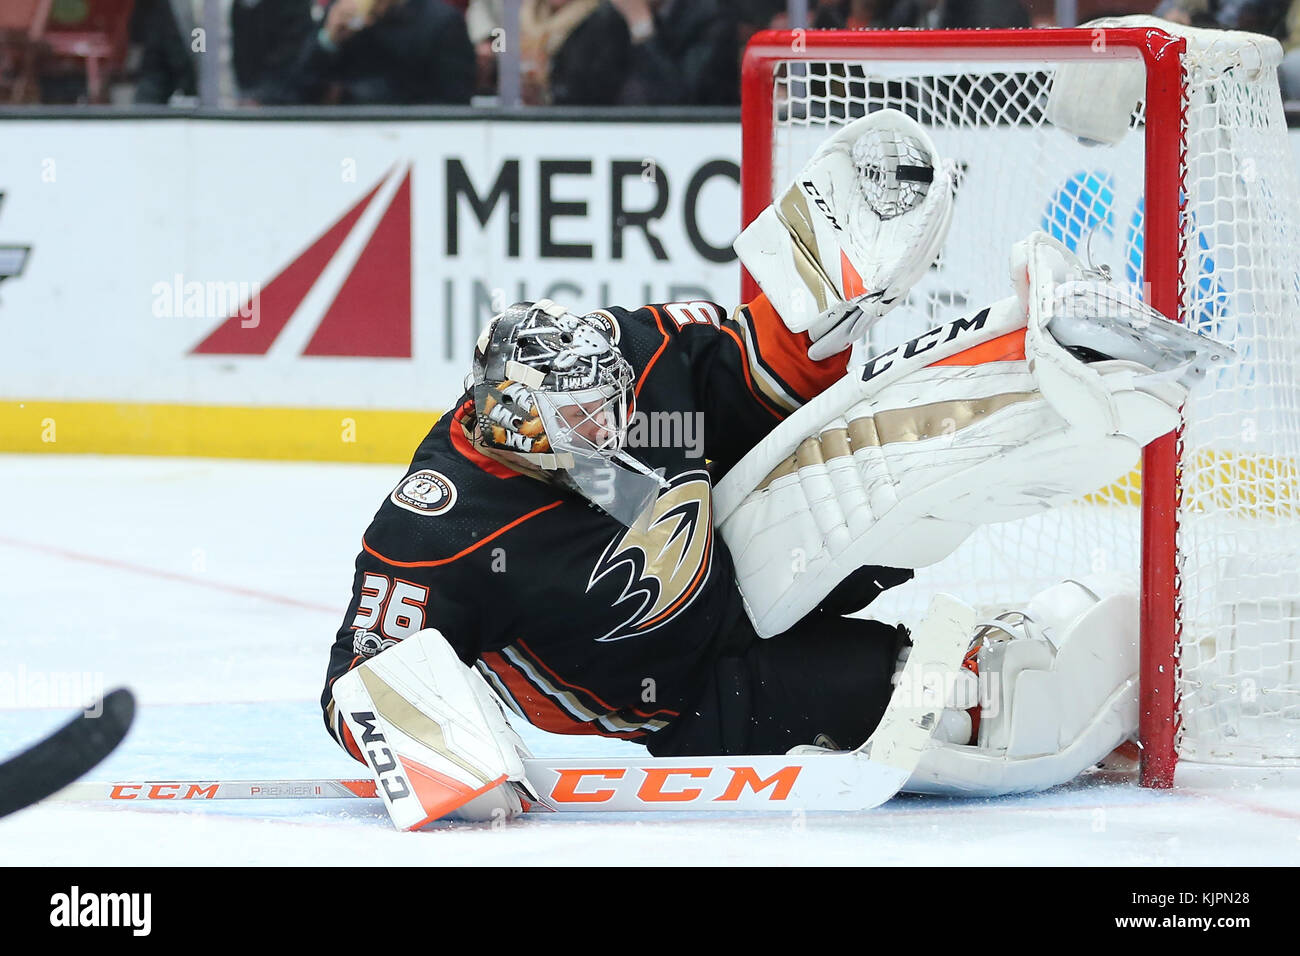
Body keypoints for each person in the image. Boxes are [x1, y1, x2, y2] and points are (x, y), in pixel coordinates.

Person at [321, 110, 1219, 826]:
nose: (616, 425)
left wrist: (821, 319)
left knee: (912, 468)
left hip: (745, 565)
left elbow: (766, 372)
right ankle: (1027, 703)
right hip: (662, 709)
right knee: (949, 703)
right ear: (517, 425)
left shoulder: (634, 354)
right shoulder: (437, 521)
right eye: (585, 421)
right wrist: (452, 766)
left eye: (615, 403)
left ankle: (1055, 360)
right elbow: (358, 676)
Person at [262, 0, 473, 105]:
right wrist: (328, 40)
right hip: (337, 146)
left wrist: (350, 96)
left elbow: (454, 102)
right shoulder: (339, 16)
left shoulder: (441, 23)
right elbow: (291, 90)